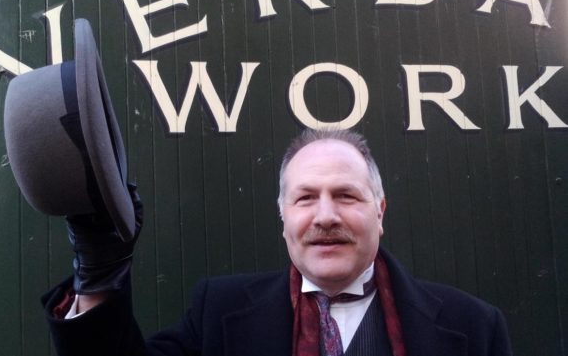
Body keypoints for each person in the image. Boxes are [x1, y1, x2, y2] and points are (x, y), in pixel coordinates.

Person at [42, 128, 513, 356]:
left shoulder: (473, 328)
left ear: (380, 211)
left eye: (346, 195)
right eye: (306, 197)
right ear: (283, 215)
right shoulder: (217, 314)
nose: (325, 216)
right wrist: (98, 275)